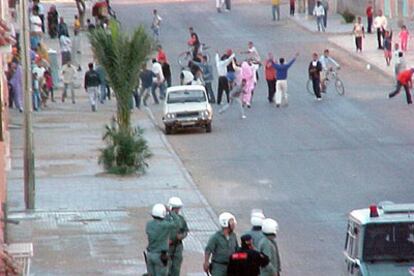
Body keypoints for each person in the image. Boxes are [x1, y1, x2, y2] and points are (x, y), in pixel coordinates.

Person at [145, 203, 177, 276]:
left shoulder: (148, 224)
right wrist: (170, 212)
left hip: (150, 254)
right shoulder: (165, 225)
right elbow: (177, 223)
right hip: (160, 256)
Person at [166, 197, 189, 276]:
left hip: (178, 246)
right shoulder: (164, 219)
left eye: (178, 208)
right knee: (166, 269)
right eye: (176, 208)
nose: (177, 210)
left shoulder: (181, 219)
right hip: (167, 247)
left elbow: (185, 231)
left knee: (176, 269)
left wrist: (181, 236)